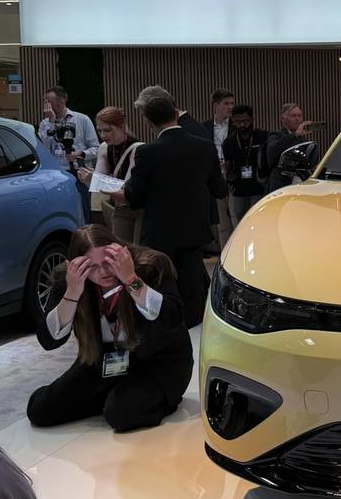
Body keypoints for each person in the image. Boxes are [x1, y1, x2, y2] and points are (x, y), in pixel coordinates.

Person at [27, 225, 193, 433]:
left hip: (158, 362)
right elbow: (49, 339)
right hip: (104, 362)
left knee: (120, 413)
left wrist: (131, 280)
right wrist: (72, 292)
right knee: (40, 410)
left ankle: (121, 397)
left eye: (107, 262)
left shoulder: (150, 265)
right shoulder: (70, 279)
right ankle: (112, 394)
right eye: (93, 267)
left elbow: (172, 317)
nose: (103, 272)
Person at [115, 96, 226, 328]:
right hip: (194, 228)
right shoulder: (205, 146)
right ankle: (192, 327)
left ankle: (163, 326)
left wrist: (116, 192)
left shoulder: (147, 152)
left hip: (159, 232)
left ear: (148, 122)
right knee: (191, 285)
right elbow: (219, 189)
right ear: (176, 114)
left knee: (159, 282)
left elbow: (134, 197)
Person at [77, 107, 143, 244]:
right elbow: (99, 184)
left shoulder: (138, 148)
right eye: (99, 131)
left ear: (121, 127)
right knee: (120, 247)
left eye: (107, 130)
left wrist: (95, 180)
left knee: (138, 249)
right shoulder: (104, 147)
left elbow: (126, 188)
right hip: (120, 207)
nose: (103, 135)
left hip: (139, 207)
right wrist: (90, 179)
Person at [223, 104, 269, 224]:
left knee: (256, 220)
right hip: (239, 189)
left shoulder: (263, 137)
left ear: (252, 119)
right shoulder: (229, 142)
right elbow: (228, 167)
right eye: (238, 122)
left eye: (245, 121)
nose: (242, 125)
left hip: (259, 187)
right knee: (240, 222)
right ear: (233, 121)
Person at [204, 89, 236, 251]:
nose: (230, 107)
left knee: (237, 219)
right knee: (222, 224)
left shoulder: (237, 126)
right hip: (216, 179)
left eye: (232, 103)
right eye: (226, 103)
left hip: (234, 179)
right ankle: (225, 255)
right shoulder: (204, 127)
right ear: (216, 105)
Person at [37, 85, 97, 166]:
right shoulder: (45, 123)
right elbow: (42, 149)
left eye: (49, 102)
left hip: (78, 168)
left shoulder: (82, 119)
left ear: (62, 101)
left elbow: (96, 148)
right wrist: (51, 122)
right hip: (56, 169)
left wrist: (80, 153)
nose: (46, 106)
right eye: (45, 102)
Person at [266, 102, 318, 194]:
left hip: (299, 183)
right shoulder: (275, 135)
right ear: (283, 119)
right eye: (293, 116)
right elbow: (272, 151)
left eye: (299, 116)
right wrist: (295, 135)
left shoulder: (302, 140)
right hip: (280, 184)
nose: (297, 119)